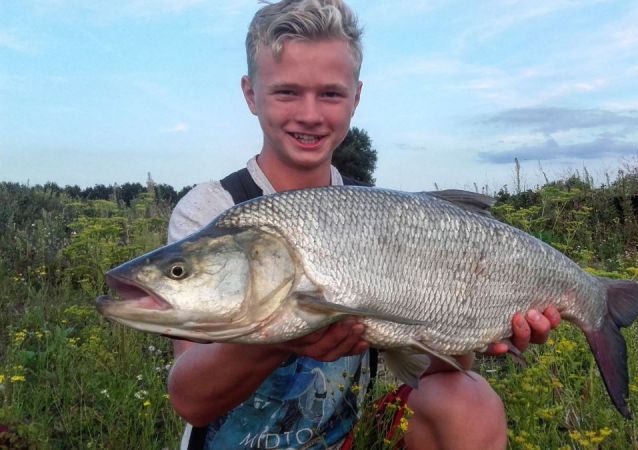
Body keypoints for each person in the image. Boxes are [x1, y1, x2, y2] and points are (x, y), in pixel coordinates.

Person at [166, 1, 561, 449]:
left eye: (330, 94)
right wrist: (284, 335)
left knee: (467, 399)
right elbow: (191, 401)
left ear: (356, 97)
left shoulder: (378, 212)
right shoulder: (213, 209)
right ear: (250, 94)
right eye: (286, 92)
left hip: (347, 438)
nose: (310, 114)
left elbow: (435, 366)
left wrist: (476, 326)